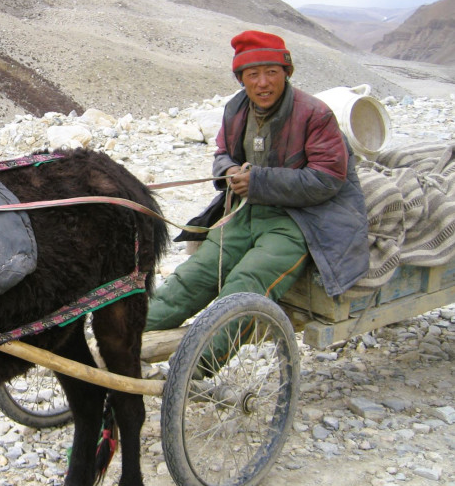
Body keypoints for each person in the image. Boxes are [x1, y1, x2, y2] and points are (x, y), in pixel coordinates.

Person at [145, 30, 369, 368]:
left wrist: (259, 181)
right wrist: (230, 170)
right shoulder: (236, 110)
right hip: (246, 213)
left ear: (286, 73)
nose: (262, 83)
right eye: (253, 74)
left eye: (271, 72)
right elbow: (221, 154)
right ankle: (122, 341)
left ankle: (193, 369)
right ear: (241, 78)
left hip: (301, 221)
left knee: (246, 283)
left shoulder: (315, 114)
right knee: (192, 276)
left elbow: (328, 179)